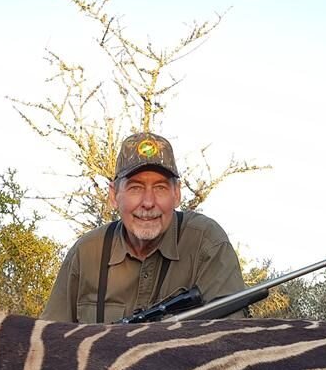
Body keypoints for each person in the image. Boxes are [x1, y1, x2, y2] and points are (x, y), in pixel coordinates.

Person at [40, 131, 248, 323]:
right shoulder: (87, 252)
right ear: (113, 195)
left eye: (160, 188)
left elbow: (230, 341)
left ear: (177, 194)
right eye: (135, 188)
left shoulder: (207, 243)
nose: (148, 202)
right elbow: (51, 339)